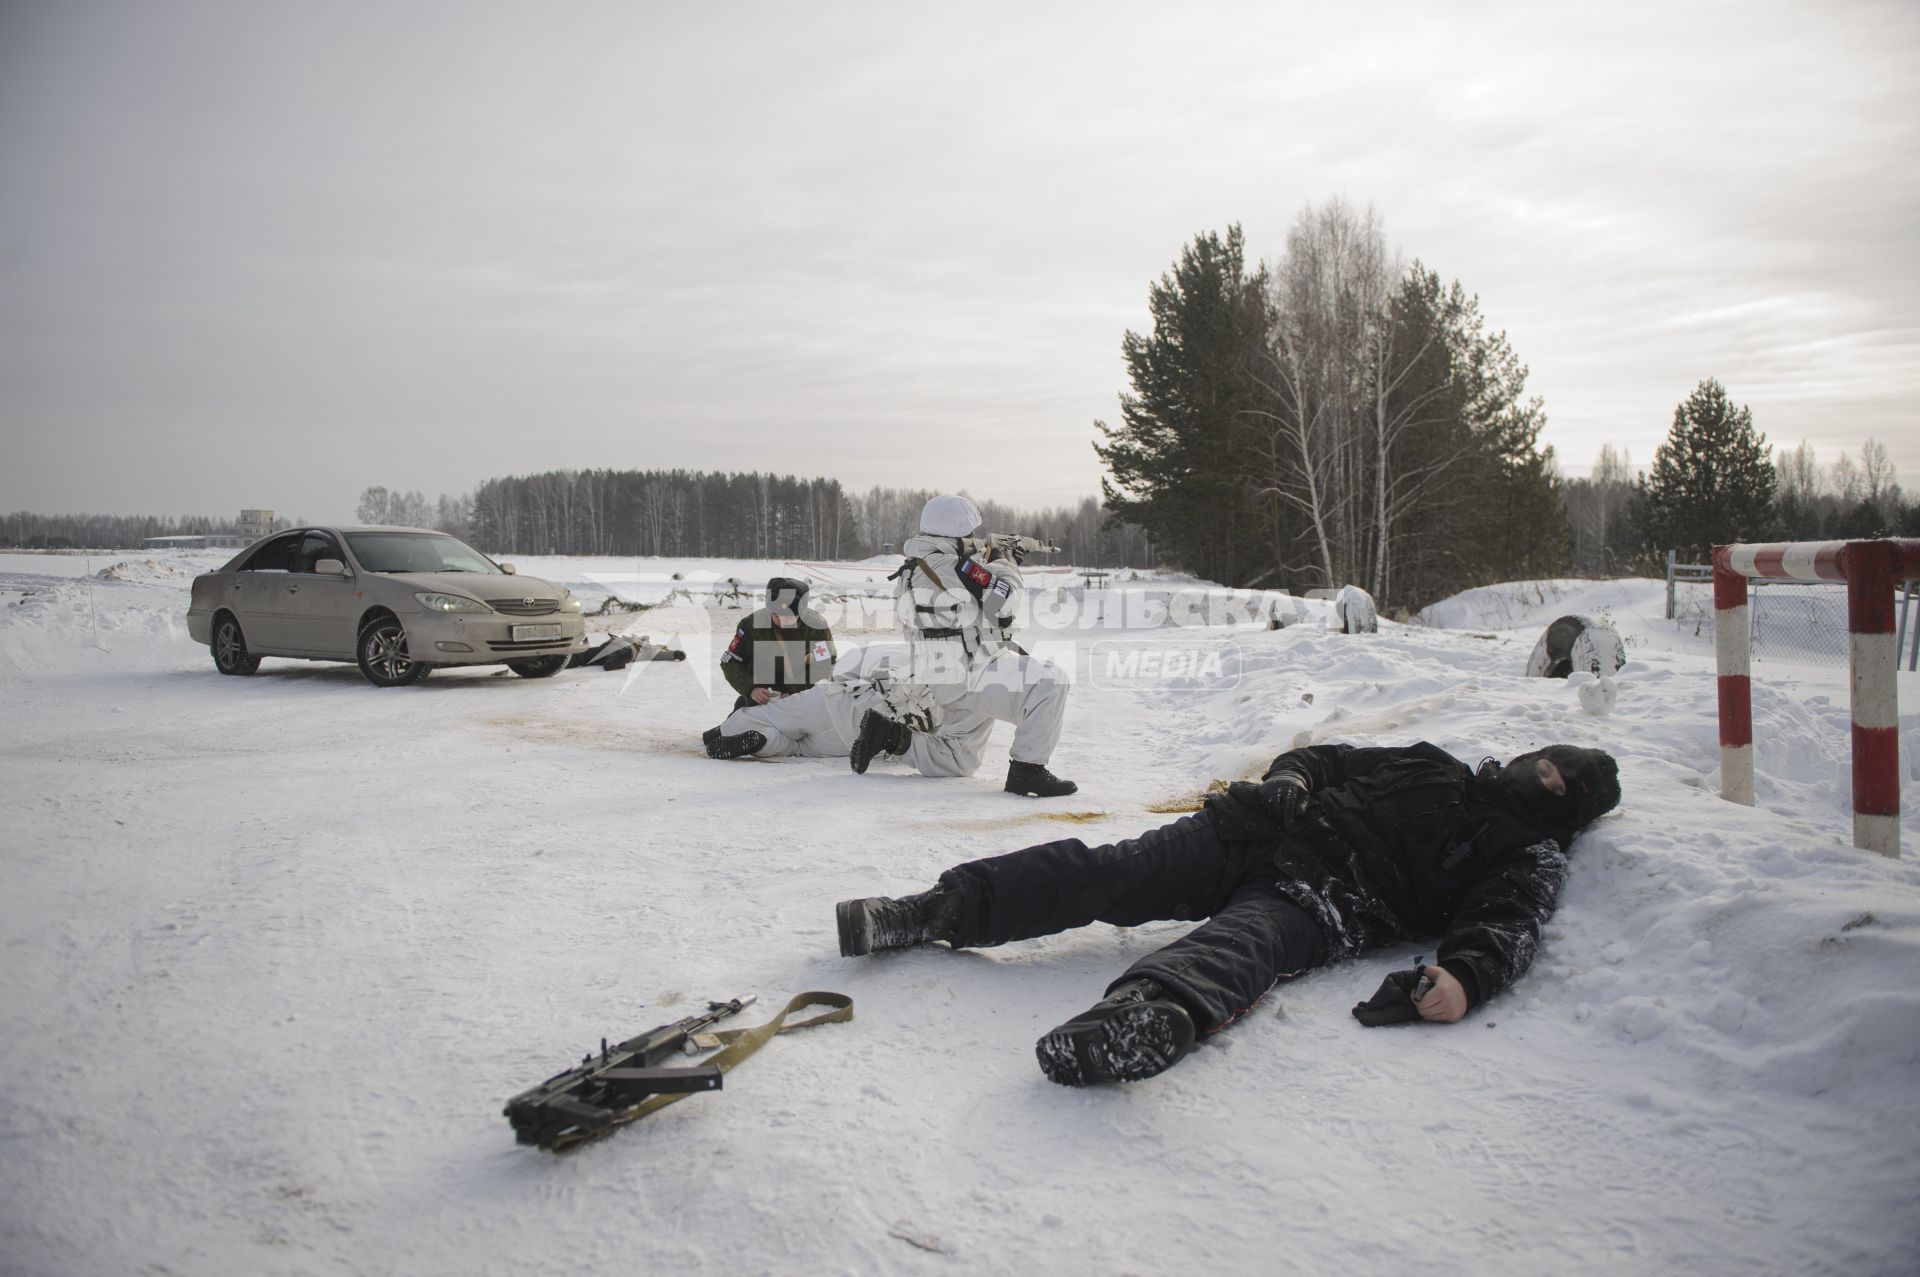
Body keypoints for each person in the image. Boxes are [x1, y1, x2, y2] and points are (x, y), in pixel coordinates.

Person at [833, 739, 1622, 1086]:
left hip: (1328, 898)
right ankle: (932, 909)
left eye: (1559, 788)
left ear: (1568, 816)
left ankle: (1145, 1018)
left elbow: (1507, 926)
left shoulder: (1528, 857)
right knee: (1109, 872)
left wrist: (1464, 979)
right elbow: (1329, 757)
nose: (1543, 779)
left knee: (1250, 940)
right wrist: (1290, 777)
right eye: (1546, 764)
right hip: (1254, 829)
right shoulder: (1434, 762)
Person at [855, 494, 1075, 797]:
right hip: (972, 672)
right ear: (958, 531)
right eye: (969, 532)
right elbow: (1004, 602)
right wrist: (1005, 563)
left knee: (958, 759)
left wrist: (988, 563)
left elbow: (965, 607)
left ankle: (892, 737)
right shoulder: (956, 568)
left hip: (941, 675)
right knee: (1051, 682)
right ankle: (1028, 771)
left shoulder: (913, 568)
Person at [719, 577, 837, 710]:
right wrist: (751, 688)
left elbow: (826, 663)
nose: (781, 622)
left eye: (788, 618)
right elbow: (730, 662)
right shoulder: (750, 626)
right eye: (776, 616)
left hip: (803, 699)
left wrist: (795, 692)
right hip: (762, 700)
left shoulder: (816, 626)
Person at [566, 632, 685, 671]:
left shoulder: (650, 649)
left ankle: (614, 662)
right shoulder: (629, 639)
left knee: (622, 652)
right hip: (610, 647)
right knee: (582, 656)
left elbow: (661, 655)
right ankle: (560, 661)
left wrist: (675, 654)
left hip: (626, 650)